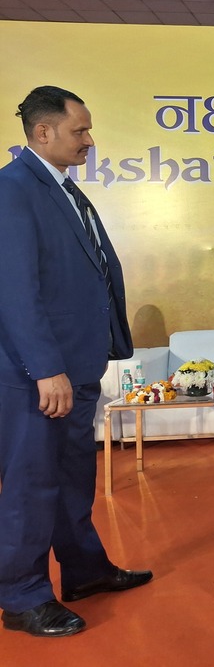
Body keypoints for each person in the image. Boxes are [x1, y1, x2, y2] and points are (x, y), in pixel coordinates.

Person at [0, 86, 151, 638]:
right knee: (31, 485)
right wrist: (46, 368)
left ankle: (84, 571)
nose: (89, 140)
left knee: (71, 479)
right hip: (37, 376)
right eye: (79, 130)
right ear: (43, 132)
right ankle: (21, 596)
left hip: (77, 367)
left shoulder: (63, 189)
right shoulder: (13, 190)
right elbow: (15, 291)